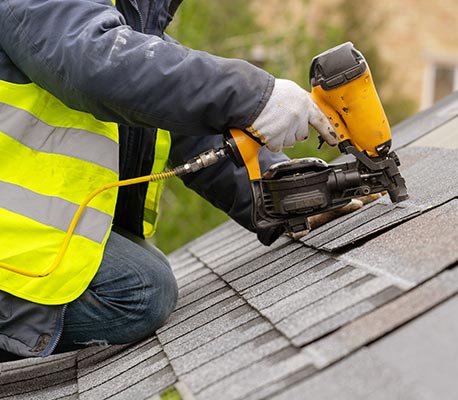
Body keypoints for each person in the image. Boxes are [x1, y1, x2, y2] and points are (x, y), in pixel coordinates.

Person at [0, 0, 338, 360]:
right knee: (139, 290)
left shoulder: (129, 17)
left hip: (22, 233)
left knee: (145, 276)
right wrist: (253, 95)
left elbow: (189, 126)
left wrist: (289, 193)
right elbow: (98, 64)